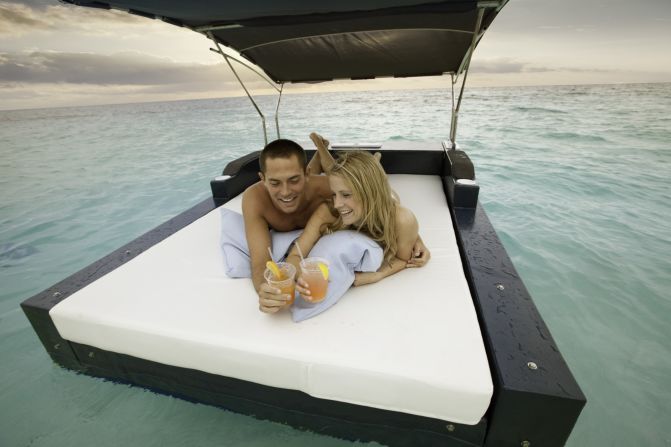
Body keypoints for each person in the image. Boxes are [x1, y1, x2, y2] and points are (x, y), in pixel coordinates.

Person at [285, 133, 431, 300]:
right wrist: (300, 277)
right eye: (334, 194)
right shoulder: (328, 211)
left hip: (385, 197)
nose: (337, 203)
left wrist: (380, 274)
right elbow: (295, 256)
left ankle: (375, 160)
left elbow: (401, 258)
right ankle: (322, 148)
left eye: (346, 195)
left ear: (368, 194)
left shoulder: (402, 219)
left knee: (381, 184)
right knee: (339, 174)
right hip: (373, 196)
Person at [242, 139, 332, 314]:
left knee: (334, 171)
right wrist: (266, 290)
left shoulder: (324, 187)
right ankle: (318, 153)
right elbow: (261, 261)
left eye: (293, 180)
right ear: (263, 179)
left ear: (307, 174)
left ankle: (322, 151)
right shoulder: (254, 199)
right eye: (275, 183)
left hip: (317, 180)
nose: (285, 192)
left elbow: (382, 197)